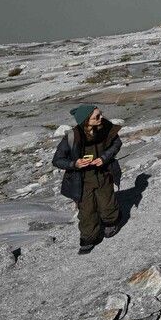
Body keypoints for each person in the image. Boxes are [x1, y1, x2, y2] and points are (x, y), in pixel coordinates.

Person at [53, 104, 123, 254]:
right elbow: (57, 160)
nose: (101, 118)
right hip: (82, 180)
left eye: (100, 114)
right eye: (96, 117)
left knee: (107, 202)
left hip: (104, 173)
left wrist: (104, 158)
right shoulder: (72, 136)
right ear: (86, 121)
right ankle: (89, 237)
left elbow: (117, 143)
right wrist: (74, 163)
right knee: (87, 211)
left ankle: (111, 222)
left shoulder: (105, 127)